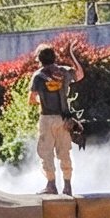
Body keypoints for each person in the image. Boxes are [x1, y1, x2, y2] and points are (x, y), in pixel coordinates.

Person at [27, 43, 83, 196]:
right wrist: (72, 54)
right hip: (64, 118)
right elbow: (80, 74)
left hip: (46, 118)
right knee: (64, 151)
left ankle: (51, 185)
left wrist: (42, 99)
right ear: (54, 57)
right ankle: (67, 186)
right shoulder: (64, 71)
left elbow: (31, 99)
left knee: (46, 152)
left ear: (39, 59)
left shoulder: (38, 76)